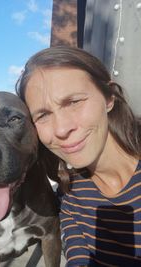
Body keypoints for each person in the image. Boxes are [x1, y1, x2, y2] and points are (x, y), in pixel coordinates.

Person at [16, 46, 141, 266]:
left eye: (74, 102)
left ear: (109, 98)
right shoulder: (71, 197)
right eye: (43, 115)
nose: (62, 129)